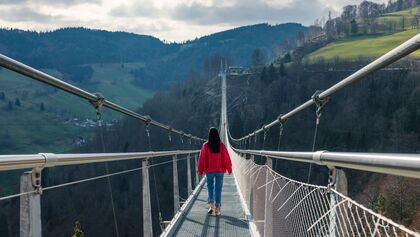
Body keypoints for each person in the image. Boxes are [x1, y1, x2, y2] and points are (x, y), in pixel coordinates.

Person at [198, 127, 232, 216]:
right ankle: (217, 208)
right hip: (220, 170)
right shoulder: (221, 146)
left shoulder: (205, 146)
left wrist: (200, 170)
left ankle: (211, 205)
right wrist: (229, 168)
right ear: (217, 135)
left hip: (209, 171)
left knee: (210, 187)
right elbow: (226, 158)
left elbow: (202, 159)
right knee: (218, 189)